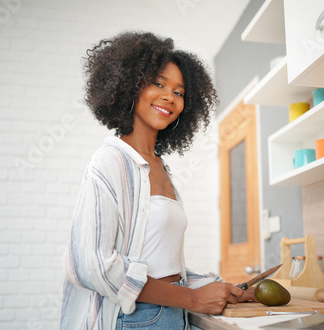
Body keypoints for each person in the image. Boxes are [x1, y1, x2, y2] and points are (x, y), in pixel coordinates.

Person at [61, 31, 256, 330]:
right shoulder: (110, 162)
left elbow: (163, 265)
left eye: (179, 92)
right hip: (134, 317)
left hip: (173, 313)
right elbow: (93, 264)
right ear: (129, 86)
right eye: (158, 83)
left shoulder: (161, 169)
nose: (169, 97)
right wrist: (191, 299)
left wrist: (219, 287)